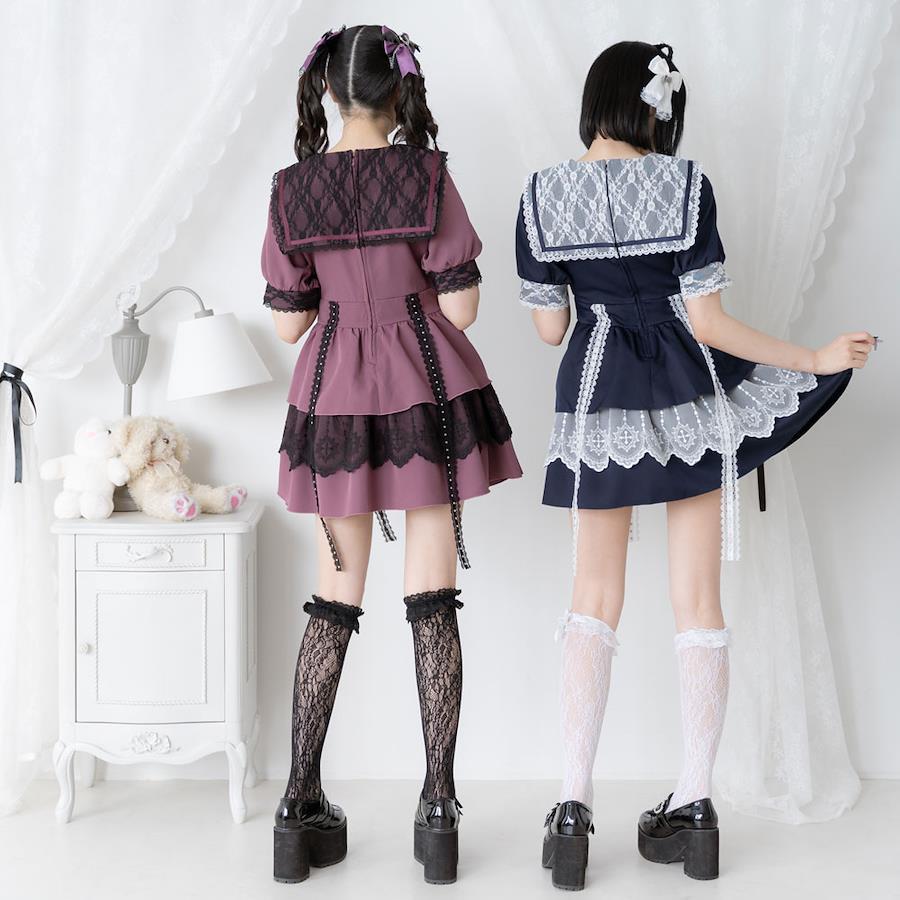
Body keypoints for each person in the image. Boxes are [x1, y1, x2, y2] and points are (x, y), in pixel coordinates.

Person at [516, 40, 874, 890]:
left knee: (592, 598)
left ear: (597, 101)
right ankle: (696, 805)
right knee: (699, 600)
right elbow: (708, 324)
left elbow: (550, 330)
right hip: (689, 395)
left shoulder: (540, 194)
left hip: (597, 394)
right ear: (655, 109)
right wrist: (812, 357)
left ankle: (572, 809)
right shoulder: (685, 185)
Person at [263, 24, 521, 886]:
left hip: (333, 400)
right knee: (432, 598)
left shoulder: (293, 189)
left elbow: (290, 323)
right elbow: (465, 310)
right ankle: (438, 806)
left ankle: (298, 804)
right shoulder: (426, 175)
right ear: (398, 89)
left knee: (334, 599)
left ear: (330, 93)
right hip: (426, 398)